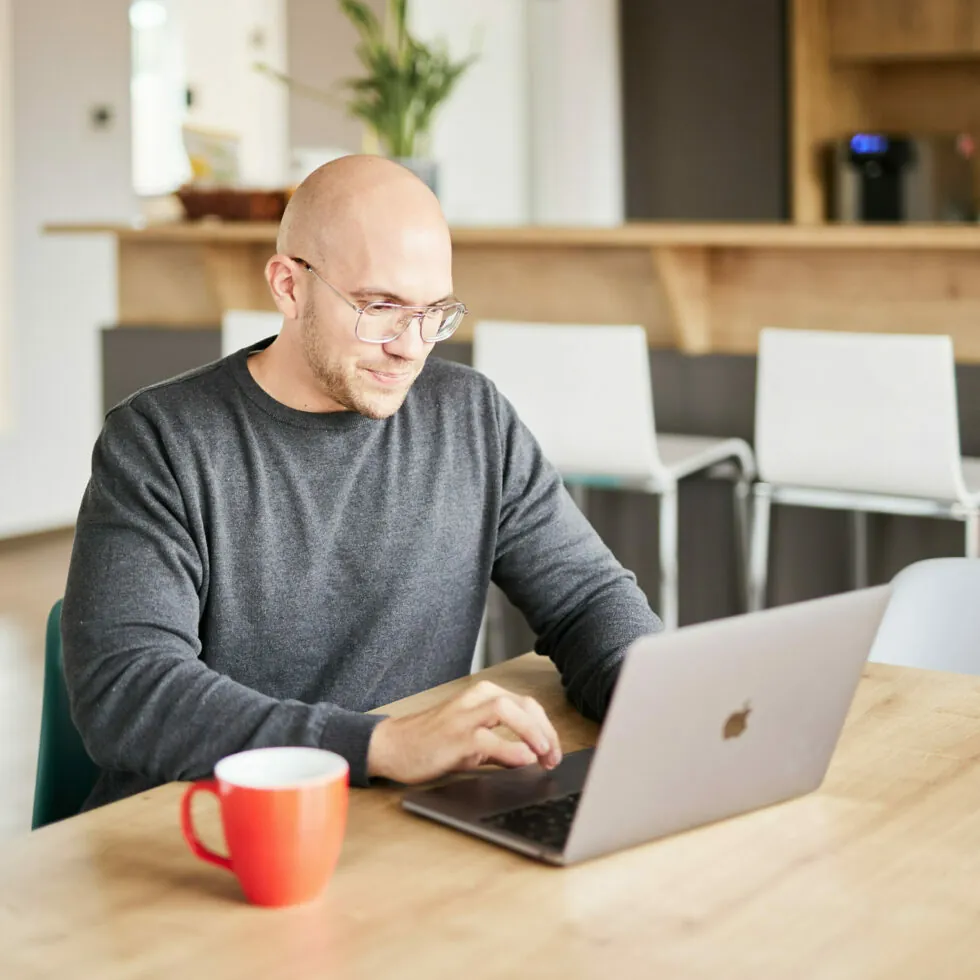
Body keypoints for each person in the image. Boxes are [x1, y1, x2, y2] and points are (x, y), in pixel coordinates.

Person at [62, 155, 661, 809]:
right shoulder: (160, 442)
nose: (412, 347)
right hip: (208, 836)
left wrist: (660, 700)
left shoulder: (471, 418)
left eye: (436, 312)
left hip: (397, 822)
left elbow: (586, 599)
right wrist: (382, 746)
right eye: (381, 307)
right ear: (288, 286)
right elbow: (126, 690)